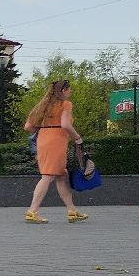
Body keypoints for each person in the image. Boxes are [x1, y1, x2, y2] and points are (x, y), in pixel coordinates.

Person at [23, 78, 86, 224]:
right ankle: (32, 211)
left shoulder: (43, 105)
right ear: (63, 91)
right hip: (57, 141)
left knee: (61, 176)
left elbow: (28, 126)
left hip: (43, 139)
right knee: (48, 176)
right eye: (69, 89)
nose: (71, 91)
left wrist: (45, 129)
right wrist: (77, 137)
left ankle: (72, 210)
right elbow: (65, 124)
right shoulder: (66, 104)